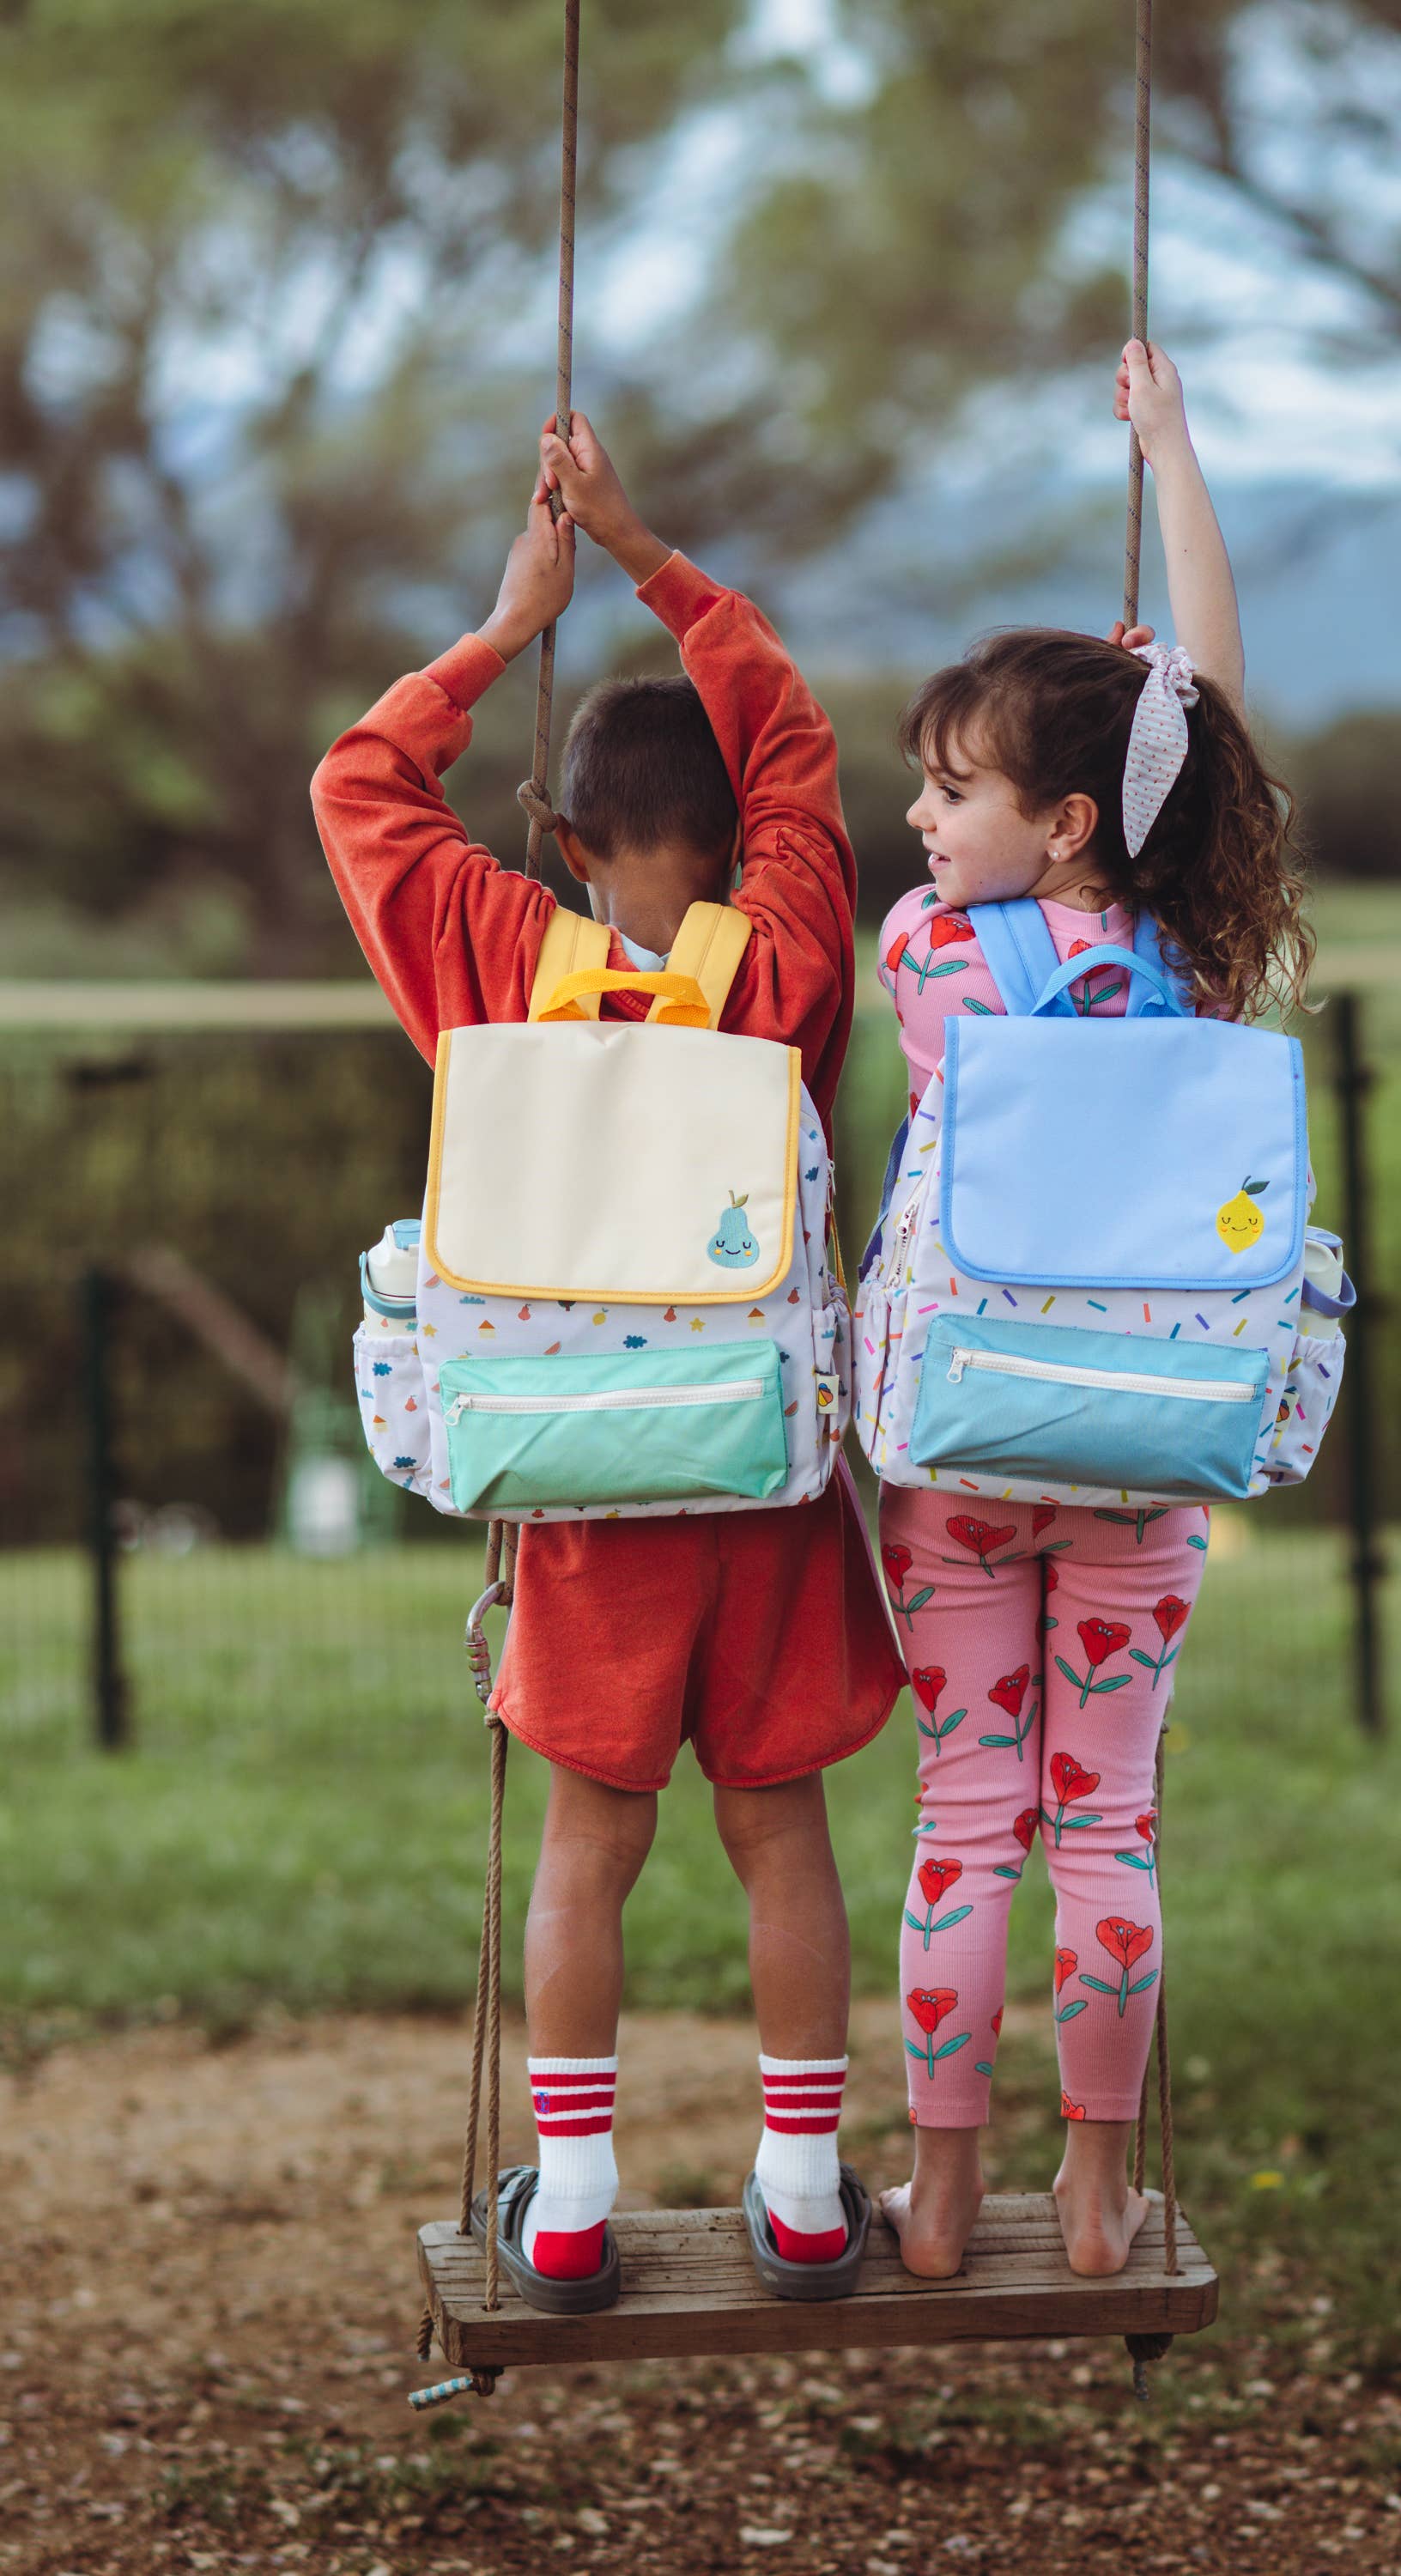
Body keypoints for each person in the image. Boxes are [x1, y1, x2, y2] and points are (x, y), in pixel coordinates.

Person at [312, 418, 903, 2305]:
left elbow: (356, 787)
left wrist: (505, 625)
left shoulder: (496, 955)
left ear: (562, 844)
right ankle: (802, 2193)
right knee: (776, 1830)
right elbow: (793, 732)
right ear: (741, 834)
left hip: (577, 1483)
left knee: (587, 1842)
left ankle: (566, 2209)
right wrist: (649, 551)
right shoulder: (783, 956)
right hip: (764, 1477)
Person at [874, 339, 1312, 2281]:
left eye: (951, 790)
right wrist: (1171, 453)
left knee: (964, 1829)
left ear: (1058, 819)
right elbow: (1204, 712)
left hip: (961, 1446)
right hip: (1144, 1448)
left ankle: (944, 2187)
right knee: (1105, 1829)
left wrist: (1146, 708)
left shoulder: (924, 960)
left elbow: (1174, 721)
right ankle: (1098, 2186)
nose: (919, 824)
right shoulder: (1183, 957)